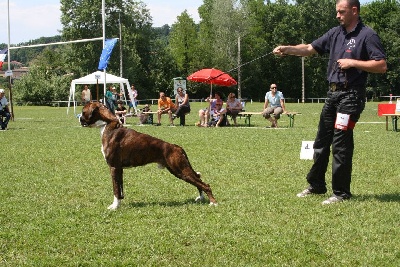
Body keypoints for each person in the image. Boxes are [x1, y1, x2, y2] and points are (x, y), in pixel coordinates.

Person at [273, 0, 387, 204]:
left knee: (341, 143)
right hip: (332, 95)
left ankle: (341, 193)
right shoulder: (335, 33)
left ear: (354, 11)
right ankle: (316, 185)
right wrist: (288, 49)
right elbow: (309, 48)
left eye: (341, 12)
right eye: (337, 12)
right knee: (321, 141)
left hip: (351, 96)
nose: (337, 15)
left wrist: (353, 62)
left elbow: (381, 65)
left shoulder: (367, 35)